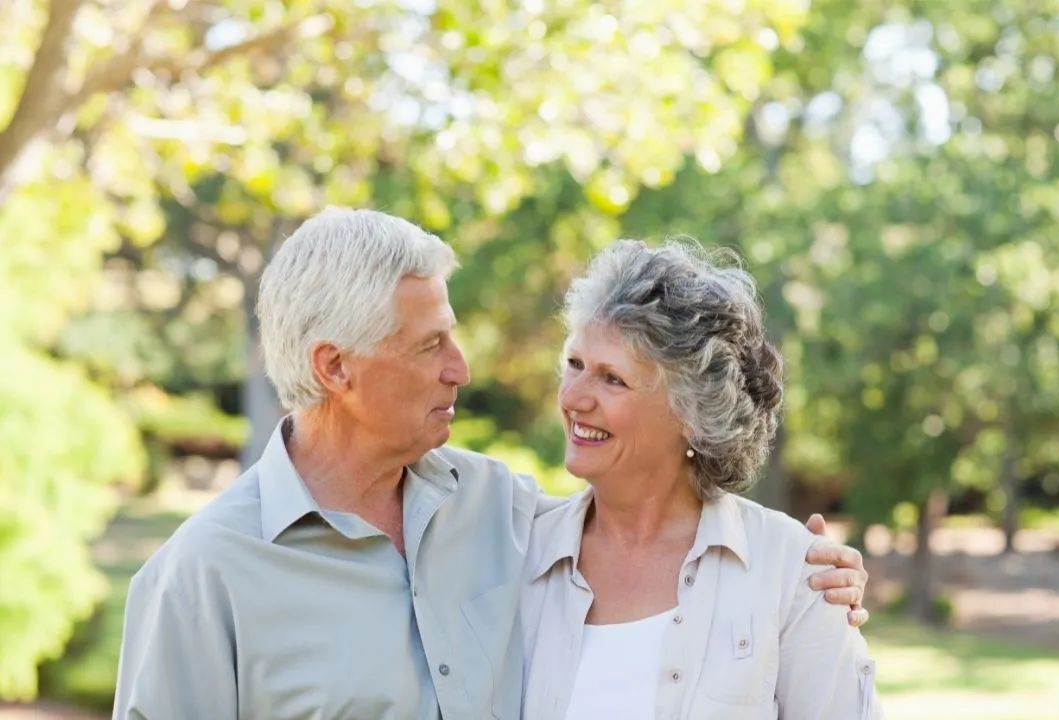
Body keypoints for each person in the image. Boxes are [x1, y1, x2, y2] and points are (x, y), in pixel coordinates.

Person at [113, 208, 870, 719]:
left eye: (452, 335)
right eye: (428, 345)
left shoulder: (504, 514)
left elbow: (653, 521)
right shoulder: (201, 577)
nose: (461, 369)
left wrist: (816, 579)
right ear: (335, 369)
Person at [521, 239, 883, 719]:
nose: (574, 398)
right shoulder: (520, 553)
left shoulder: (791, 571)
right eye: (575, 364)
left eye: (613, 379)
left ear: (691, 413)